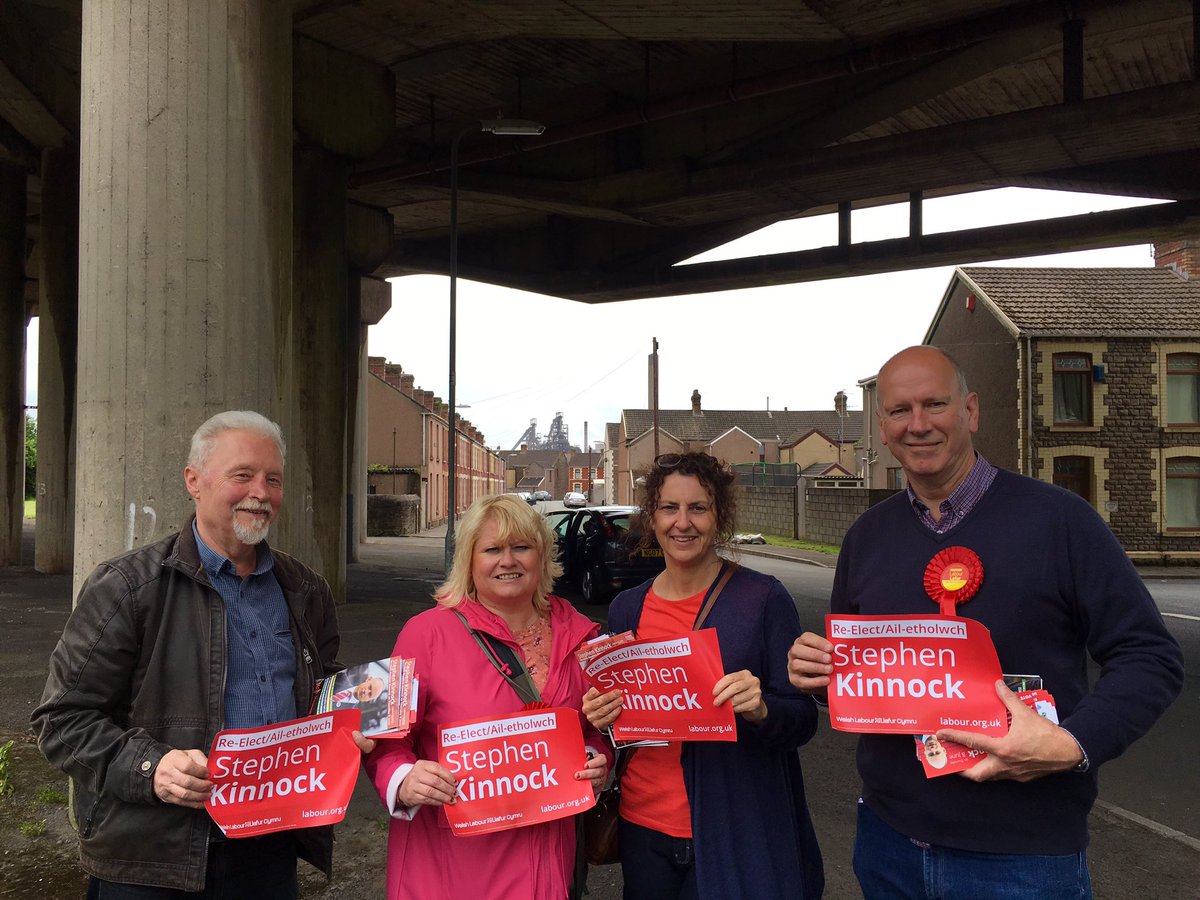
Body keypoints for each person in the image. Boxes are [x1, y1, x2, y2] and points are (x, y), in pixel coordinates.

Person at [788, 346, 1184, 899]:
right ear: (882, 429)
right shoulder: (867, 537)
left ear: (970, 411)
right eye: (900, 410)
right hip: (888, 844)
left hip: (1023, 857)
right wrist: (820, 676)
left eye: (935, 404)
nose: (918, 424)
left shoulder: (1060, 520)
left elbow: (1150, 656)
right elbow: (862, 677)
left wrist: (1074, 743)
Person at [32, 410, 372, 898]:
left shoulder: (304, 589)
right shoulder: (128, 587)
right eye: (243, 475)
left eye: (273, 479)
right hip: (153, 859)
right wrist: (151, 768)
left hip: (269, 849)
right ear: (194, 481)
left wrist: (358, 712)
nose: (261, 492)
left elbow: (320, 687)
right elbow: (62, 719)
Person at [584, 451, 824, 900]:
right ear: (652, 517)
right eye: (669, 508)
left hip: (732, 826)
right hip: (642, 826)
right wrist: (601, 716)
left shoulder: (762, 599)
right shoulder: (627, 608)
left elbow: (803, 718)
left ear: (719, 517)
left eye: (698, 508)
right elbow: (623, 721)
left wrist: (761, 710)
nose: (683, 522)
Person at [364, 493, 611, 900]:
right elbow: (382, 740)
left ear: (542, 555)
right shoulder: (423, 634)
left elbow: (594, 730)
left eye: (521, 547)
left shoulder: (583, 635)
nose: (508, 561)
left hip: (549, 862)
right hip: (453, 869)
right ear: (469, 560)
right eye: (493, 549)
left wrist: (594, 759)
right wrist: (403, 779)